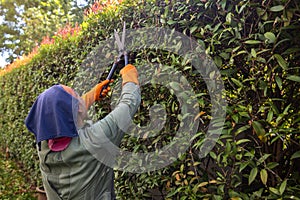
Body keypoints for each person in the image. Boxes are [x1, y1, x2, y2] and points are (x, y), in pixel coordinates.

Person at [25, 64, 141, 199]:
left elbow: (60, 115)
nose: (81, 97)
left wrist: (91, 96)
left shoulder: (43, 146)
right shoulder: (95, 139)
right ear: (78, 108)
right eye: (77, 95)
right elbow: (129, 103)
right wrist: (130, 76)